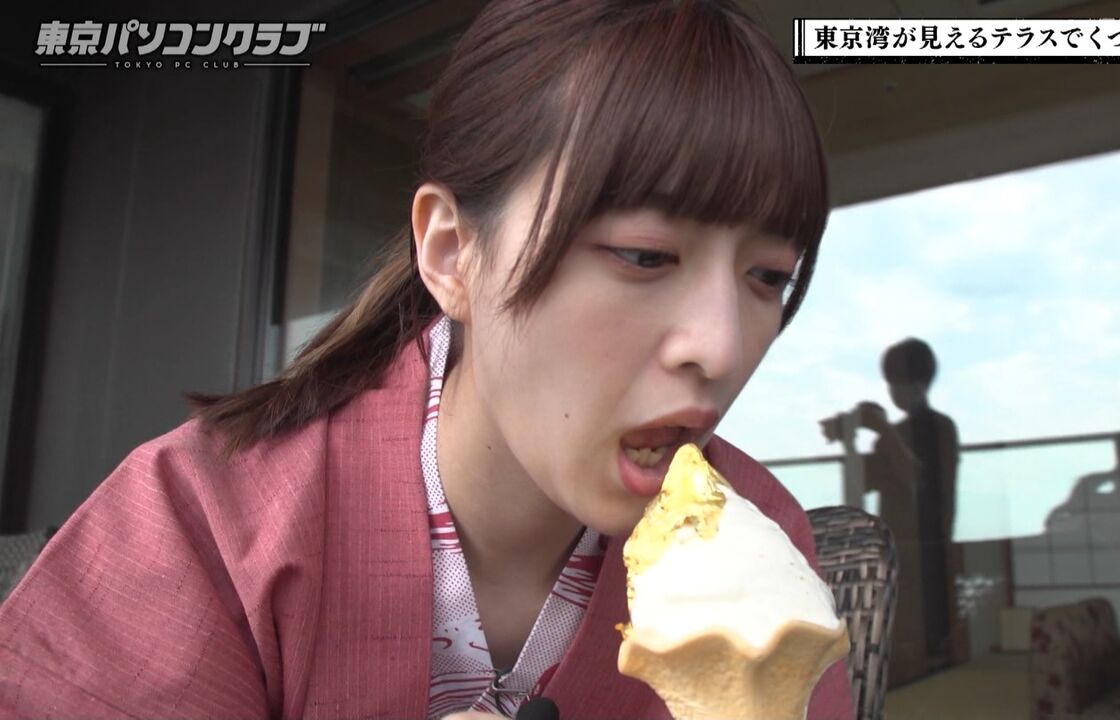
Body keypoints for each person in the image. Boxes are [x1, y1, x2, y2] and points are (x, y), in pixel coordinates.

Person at [0, 2, 853, 718]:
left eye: (768, 277)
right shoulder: (203, 527)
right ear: (451, 253)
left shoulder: (766, 546)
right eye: (644, 255)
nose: (722, 348)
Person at [843, 338, 959, 685]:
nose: (895, 391)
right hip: (894, 548)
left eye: (900, 382)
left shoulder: (939, 429)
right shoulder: (894, 436)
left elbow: (917, 480)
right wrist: (849, 437)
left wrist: (881, 427)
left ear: (921, 384)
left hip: (928, 550)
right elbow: (860, 485)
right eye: (892, 383)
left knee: (926, 642)